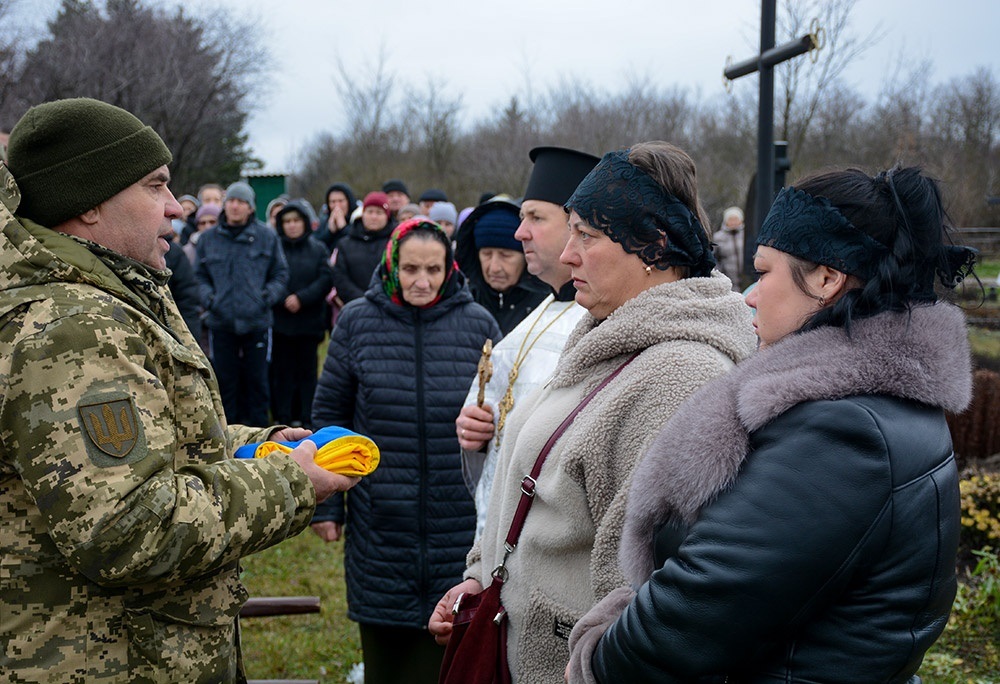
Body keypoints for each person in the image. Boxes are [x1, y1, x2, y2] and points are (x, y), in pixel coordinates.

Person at [568, 166, 977, 684]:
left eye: (764, 273)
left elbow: (701, 609)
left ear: (828, 278)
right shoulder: (882, 404)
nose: (749, 295)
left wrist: (599, 658)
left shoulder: (844, 434)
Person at [0, 97, 357, 683]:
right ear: (88, 202)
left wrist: (257, 445)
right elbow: (128, 528)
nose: (176, 209)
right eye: (155, 186)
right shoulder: (73, 328)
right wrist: (292, 482)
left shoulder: (114, 290)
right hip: (103, 660)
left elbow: (156, 440)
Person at [429, 142, 757, 682]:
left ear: (652, 244)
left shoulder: (679, 377)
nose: (567, 255)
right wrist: (482, 577)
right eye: (571, 231)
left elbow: (639, 590)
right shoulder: (607, 334)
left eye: (589, 236)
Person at [311, 219, 502, 684]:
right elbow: (331, 413)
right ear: (391, 265)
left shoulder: (478, 324)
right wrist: (328, 505)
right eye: (411, 268)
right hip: (382, 521)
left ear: (450, 267)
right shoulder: (357, 321)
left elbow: (501, 410)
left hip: (455, 520)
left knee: (451, 653)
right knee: (388, 660)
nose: (423, 281)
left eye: (434, 269)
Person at [456, 145, 599, 540]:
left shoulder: (603, 322)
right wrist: (477, 436)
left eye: (536, 217)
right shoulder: (539, 315)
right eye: (523, 217)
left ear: (578, 225)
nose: (520, 232)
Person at [195, 180, 289, 426]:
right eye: (232, 201)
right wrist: (210, 299)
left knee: (257, 382)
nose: (235, 206)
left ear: (250, 208)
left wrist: (266, 297)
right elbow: (199, 277)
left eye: (242, 202)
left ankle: (258, 434)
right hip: (221, 322)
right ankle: (228, 434)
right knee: (225, 382)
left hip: (257, 322)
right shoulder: (208, 239)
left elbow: (280, 273)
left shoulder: (266, 237)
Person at [270, 200, 334, 429]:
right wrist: (284, 297)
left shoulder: (318, 249)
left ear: (305, 223)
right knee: (282, 374)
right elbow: (269, 277)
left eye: (296, 220)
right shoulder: (274, 247)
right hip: (281, 323)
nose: (292, 225)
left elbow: (326, 279)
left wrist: (302, 298)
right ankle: (283, 419)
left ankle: (308, 418)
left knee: (307, 373)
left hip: (308, 323)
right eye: (287, 221)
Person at [455, 195, 549, 335]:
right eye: (486, 254)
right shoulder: (460, 304)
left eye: (505, 256)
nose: (494, 268)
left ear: (526, 256)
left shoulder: (547, 307)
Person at [331, 191, 396, 306]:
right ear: (363, 214)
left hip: (389, 307)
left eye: (379, 213)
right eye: (369, 212)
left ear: (387, 216)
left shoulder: (396, 242)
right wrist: (364, 300)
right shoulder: (345, 244)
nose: (374, 217)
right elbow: (340, 278)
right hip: (355, 307)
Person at [315, 181, 357, 251]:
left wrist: (343, 228)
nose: (337, 206)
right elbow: (315, 245)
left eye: (340, 201)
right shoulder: (324, 221)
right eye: (333, 202)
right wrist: (329, 232)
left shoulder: (357, 220)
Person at [712, 205, 745, 289]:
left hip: (746, 278)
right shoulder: (718, 237)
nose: (733, 222)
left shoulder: (747, 235)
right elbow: (714, 258)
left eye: (736, 219)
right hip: (727, 279)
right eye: (731, 219)